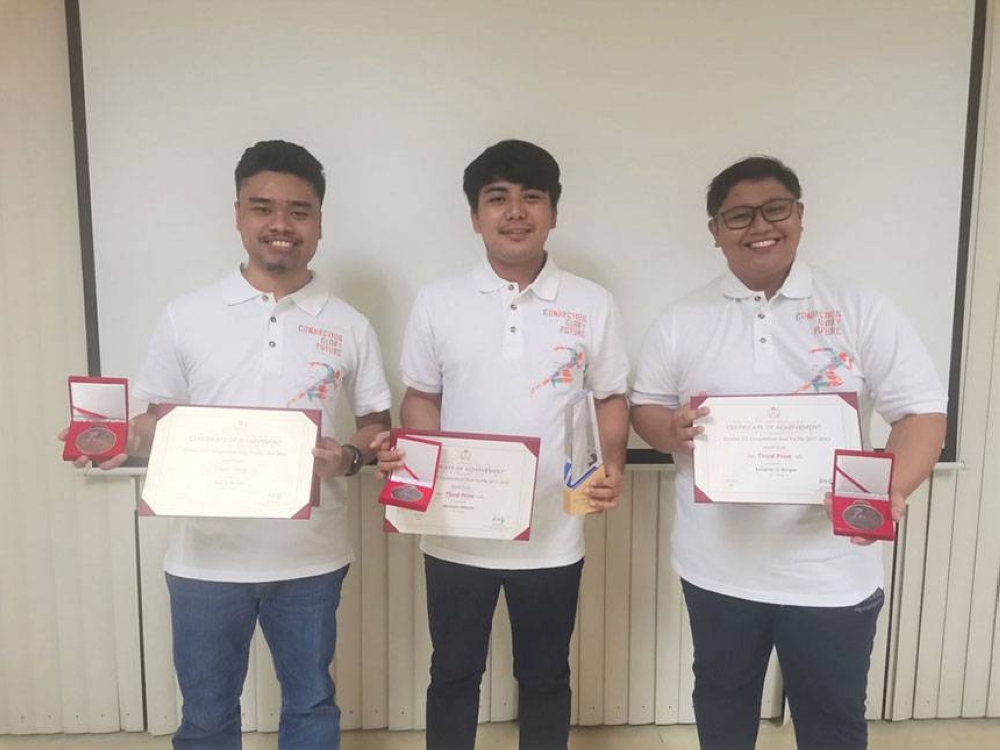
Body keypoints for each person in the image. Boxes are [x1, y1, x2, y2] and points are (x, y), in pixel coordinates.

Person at [65, 140, 392, 749]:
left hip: (310, 557)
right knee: (208, 715)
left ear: (319, 222)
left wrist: (348, 457)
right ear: (238, 214)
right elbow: (158, 420)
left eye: (299, 211)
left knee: (312, 705)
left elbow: (377, 425)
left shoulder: (349, 324)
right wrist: (117, 439)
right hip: (205, 559)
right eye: (262, 207)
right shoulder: (186, 316)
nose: (280, 225)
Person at [630, 155, 947, 750]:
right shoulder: (681, 319)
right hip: (717, 566)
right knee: (722, 707)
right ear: (715, 230)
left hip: (831, 571)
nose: (760, 226)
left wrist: (889, 488)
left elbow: (921, 411)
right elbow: (646, 407)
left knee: (831, 720)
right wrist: (669, 431)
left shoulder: (860, 308)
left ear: (800, 215)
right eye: (739, 215)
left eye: (776, 209)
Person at [374, 139, 629, 750]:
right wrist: (419, 461)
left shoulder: (592, 303)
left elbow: (611, 398)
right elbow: (421, 397)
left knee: (545, 675)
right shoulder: (439, 301)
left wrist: (612, 463)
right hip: (457, 531)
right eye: (498, 198)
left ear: (553, 212)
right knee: (454, 672)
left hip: (553, 534)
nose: (515, 211)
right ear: (474, 216)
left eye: (531, 197)